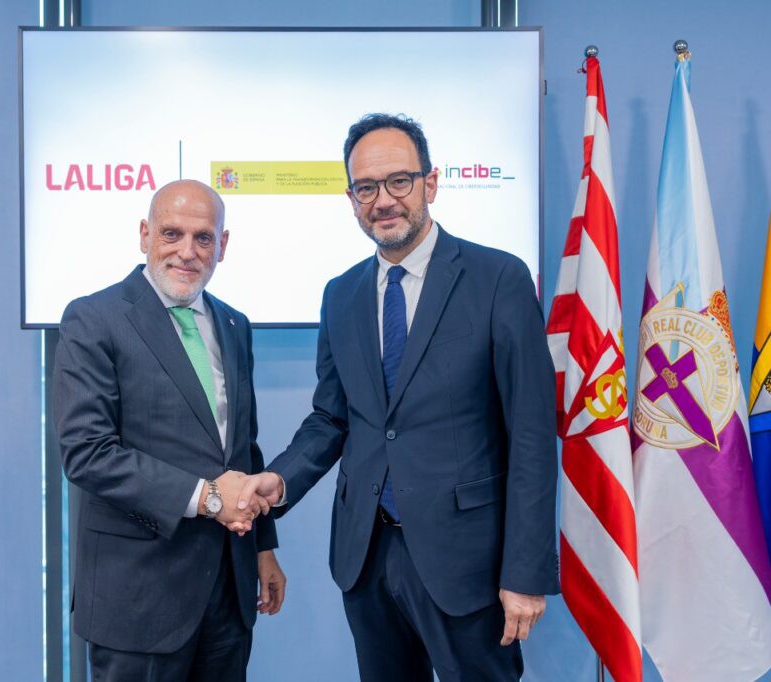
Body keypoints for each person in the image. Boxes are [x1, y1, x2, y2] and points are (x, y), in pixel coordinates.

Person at [239, 114, 558, 680]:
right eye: (366, 187)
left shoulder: (498, 279)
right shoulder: (340, 294)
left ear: (430, 183)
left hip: (469, 561)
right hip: (367, 557)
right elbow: (332, 418)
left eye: (399, 181)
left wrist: (526, 571)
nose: (383, 200)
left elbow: (531, 435)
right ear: (351, 199)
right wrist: (281, 479)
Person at [53, 179, 285, 682]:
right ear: (145, 234)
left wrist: (262, 548)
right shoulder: (93, 318)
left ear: (222, 245)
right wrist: (210, 499)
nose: (187, 251)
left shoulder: (234, 324)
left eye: (203, 238)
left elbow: (243, 449)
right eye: (171, 233)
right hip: (137, 599)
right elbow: (87, 453)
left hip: (228, 591)